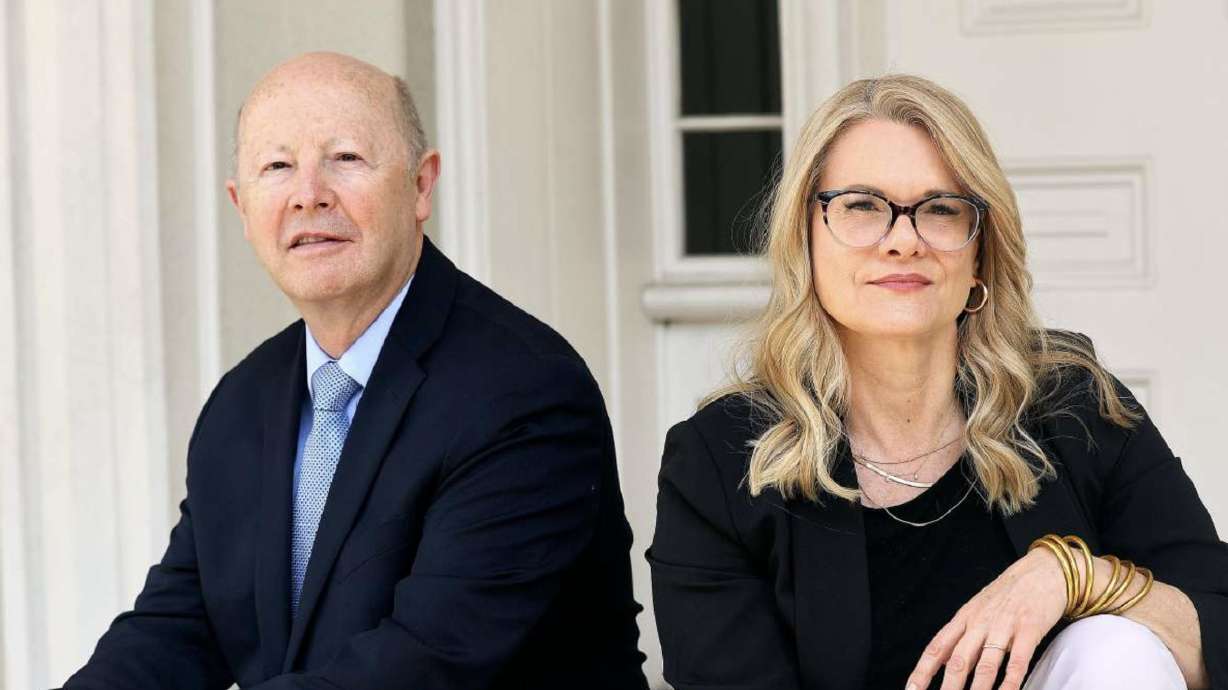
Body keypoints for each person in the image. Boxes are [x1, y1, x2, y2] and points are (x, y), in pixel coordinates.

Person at [61, 52, 648, 690]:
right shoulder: (243, 401)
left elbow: (423, 665)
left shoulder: (524, 391)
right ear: (241, 206)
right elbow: (177, 627)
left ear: (421, 186)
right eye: (277, 167)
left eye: (344, 158)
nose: (308, 195)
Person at [648, 75, 1227, 690]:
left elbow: (1214, 616)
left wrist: (1071, 577)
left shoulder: (1075, 405)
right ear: (805, 238)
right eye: (861, 206)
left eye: (941, 210)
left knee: (1115, 646)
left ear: (980, 251)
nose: (903, 241)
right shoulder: (721, 462)